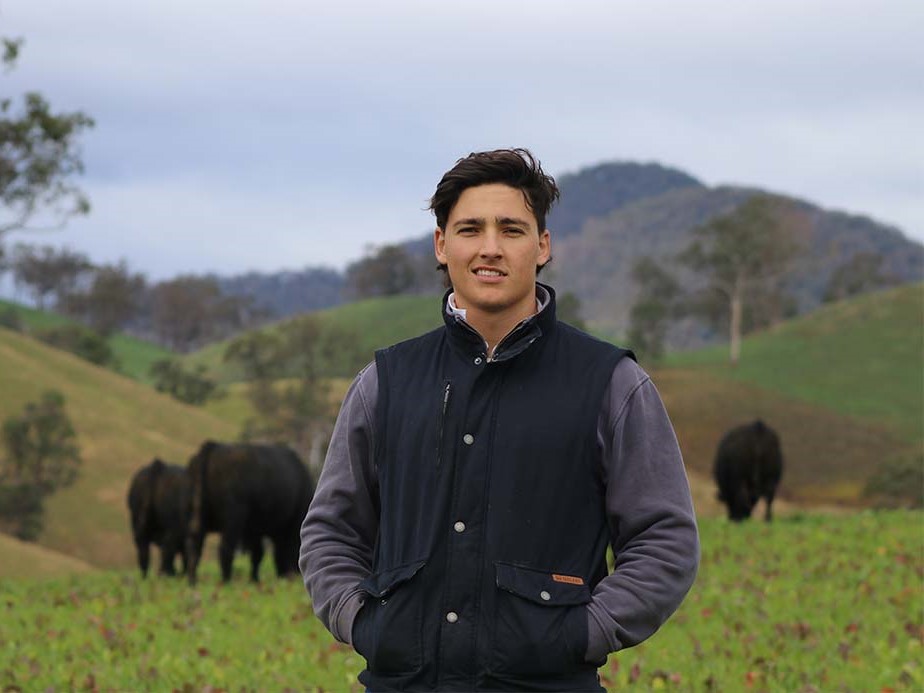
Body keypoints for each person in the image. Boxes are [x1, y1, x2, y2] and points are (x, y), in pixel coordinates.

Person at [299, 148, 699, 692]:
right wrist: (361, 621)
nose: (490, 247)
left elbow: (665, 539)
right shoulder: (385, 382)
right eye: (470, 229)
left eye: (511, 229)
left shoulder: (610, 383)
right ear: (442, 245)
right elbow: (331, 530)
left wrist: (583, 631)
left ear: (543, 246)